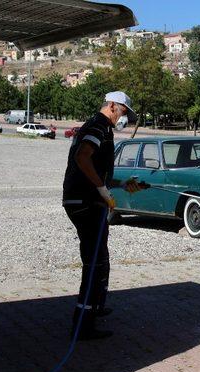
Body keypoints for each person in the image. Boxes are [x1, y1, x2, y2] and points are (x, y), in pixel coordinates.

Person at [62, 91, 144, 340]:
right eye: (123, 112)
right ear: (111, 105)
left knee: (100, 257)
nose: (125, 119)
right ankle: (82, 323)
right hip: (84, 201)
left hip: (90, 200)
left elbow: (98, 171)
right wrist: (101, 190)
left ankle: (94, 307)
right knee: (94, 261)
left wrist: (120, 183)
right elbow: (82, 158)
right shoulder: (97, 126)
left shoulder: (104, 130)